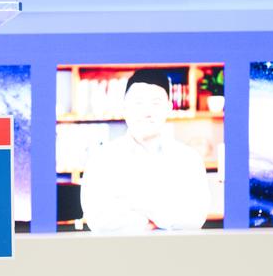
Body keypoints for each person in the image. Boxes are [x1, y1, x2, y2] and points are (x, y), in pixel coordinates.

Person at [79, 69, 210, 235]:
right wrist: (160, 214)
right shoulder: (102, 159)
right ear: (124, 107)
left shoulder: (189, 159)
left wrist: (134, 204)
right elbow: (98, 220)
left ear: (169, 108)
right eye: (138, 102)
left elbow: (194, 217)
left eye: (156, 103)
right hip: (116, 255)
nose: (147, 112)